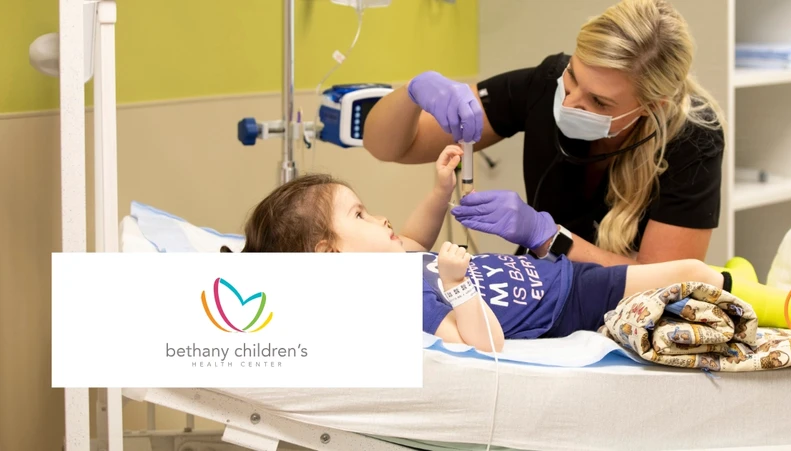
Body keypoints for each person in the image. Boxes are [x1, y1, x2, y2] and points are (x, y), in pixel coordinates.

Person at [224, 145, 740, 354]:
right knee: (694, 274)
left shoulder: (399, 262)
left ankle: (746, 281)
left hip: (553, 272)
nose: (381, 219)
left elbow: (415, 238)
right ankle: (769, 300)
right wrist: (458, 287)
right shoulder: (399, 303)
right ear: (328, 256)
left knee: (693, 275)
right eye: (359, 216)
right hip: (570, 302)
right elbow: (485, 343)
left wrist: (439, 191)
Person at [362, 0, 726, 267]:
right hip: (538, 294)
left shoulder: (692, 138)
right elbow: (390, 147)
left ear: (653, 106)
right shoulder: (545, 83)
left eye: (599, 101)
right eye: (573, 76)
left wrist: (548, 236)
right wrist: (413, 92)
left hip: (618, 316)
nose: (570, 102)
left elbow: (664, 282)